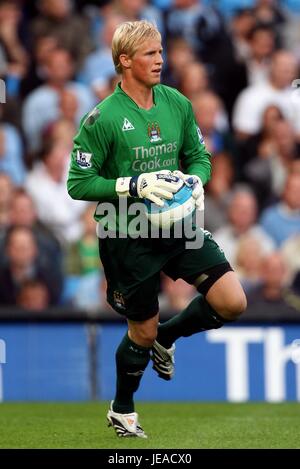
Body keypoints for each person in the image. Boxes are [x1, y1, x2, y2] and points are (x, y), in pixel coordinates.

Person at [67, 20, 247, 439]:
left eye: (161, 51)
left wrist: (195, 181)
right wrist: (132, 184)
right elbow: (78, 183)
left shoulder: (177, 103)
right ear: (124, 60)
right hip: (127, 233)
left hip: (176, 224)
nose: (160, 59)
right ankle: (123, 409)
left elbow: (199, 156)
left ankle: (166, 336)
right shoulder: (103, 118)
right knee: (140, 331)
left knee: (232, 302)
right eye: (149, 53)